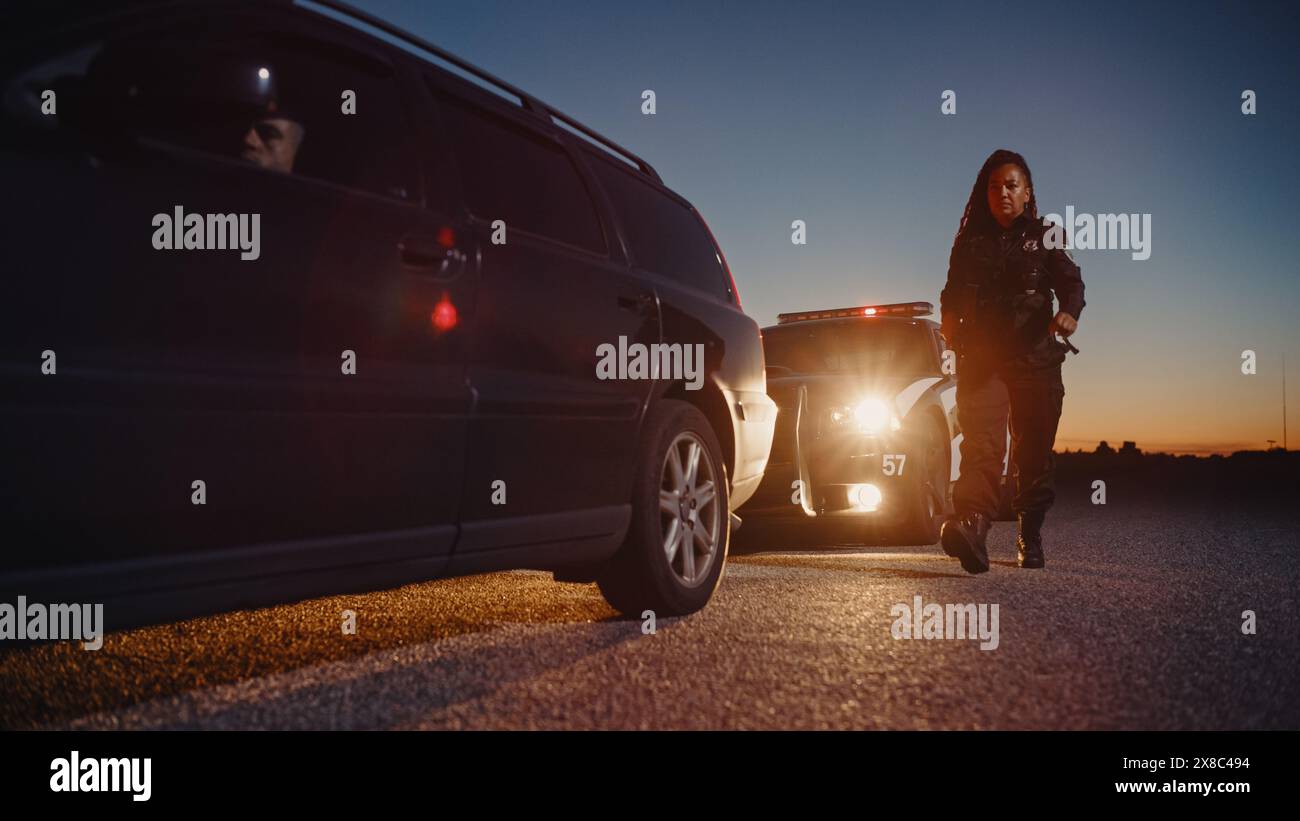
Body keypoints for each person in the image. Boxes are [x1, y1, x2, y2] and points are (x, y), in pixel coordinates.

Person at [938, 149, 1084, 573]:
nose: (1001, 192)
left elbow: (1072, 283)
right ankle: (972, 528)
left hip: (1036, 361)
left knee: (1033, 454)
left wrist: (1069, 313)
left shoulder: (1047, 235)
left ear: (1027, 193)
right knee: (982, 446)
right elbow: (950, 293)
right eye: (994, 185)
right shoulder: (969, 244)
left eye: (1011, 185)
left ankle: (1029, 534)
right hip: (983, 362)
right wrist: (949, 329)